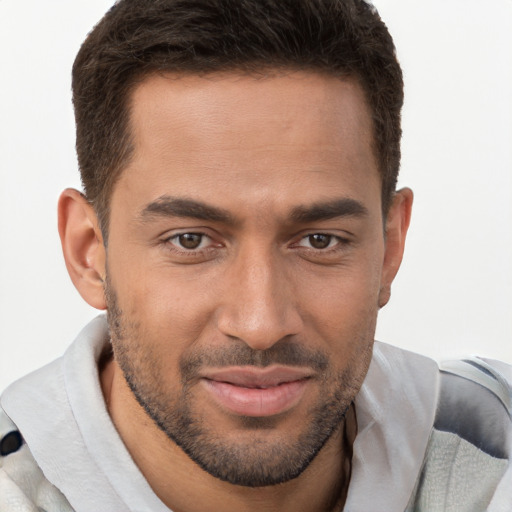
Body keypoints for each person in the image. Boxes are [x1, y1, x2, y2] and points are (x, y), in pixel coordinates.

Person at [0, 0, 510, 510]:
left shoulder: (494, 442)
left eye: (319, 240)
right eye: (191, 241)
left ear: (390, 245)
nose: (261, 324)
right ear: (89, 253)